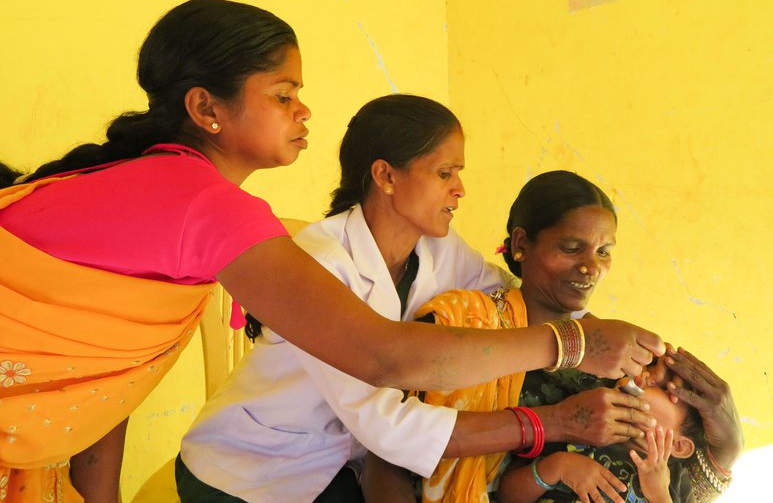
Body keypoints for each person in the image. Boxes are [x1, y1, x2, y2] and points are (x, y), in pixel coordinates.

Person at [0, 0, 665, 503]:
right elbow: (383, 355)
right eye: (284, 94)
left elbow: (105, 388)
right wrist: (569, 355)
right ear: (206, 108)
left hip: (321, 468)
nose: (304, 112)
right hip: (251, 477)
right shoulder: (216, 211)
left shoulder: (173, 196)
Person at [178, 93, 532, 502]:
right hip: (250, 472)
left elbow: (511, 300)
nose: (460, 189)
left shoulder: (440, 249)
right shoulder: (323, 261)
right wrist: (542, 424)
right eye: (444, 173)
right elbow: (386, 423)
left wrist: (583, 329)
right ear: (386, 176)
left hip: (341, 465)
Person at [396, 170, 741, 503]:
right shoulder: (470, 323)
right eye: (572, 247)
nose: (591, 267)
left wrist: (728, 448)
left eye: (604, 251)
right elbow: (391, 444)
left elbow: (668, 481)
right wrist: (558, 429)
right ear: (521, 244)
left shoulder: (616, 356)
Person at [498, 367, 707, 503]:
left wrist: (659, 495)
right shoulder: (584, 425)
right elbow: (506, 495)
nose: (643, 376)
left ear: (679, 446)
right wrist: (559, 466)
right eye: (648, 369)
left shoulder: (676, 484)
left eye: (663, 388)